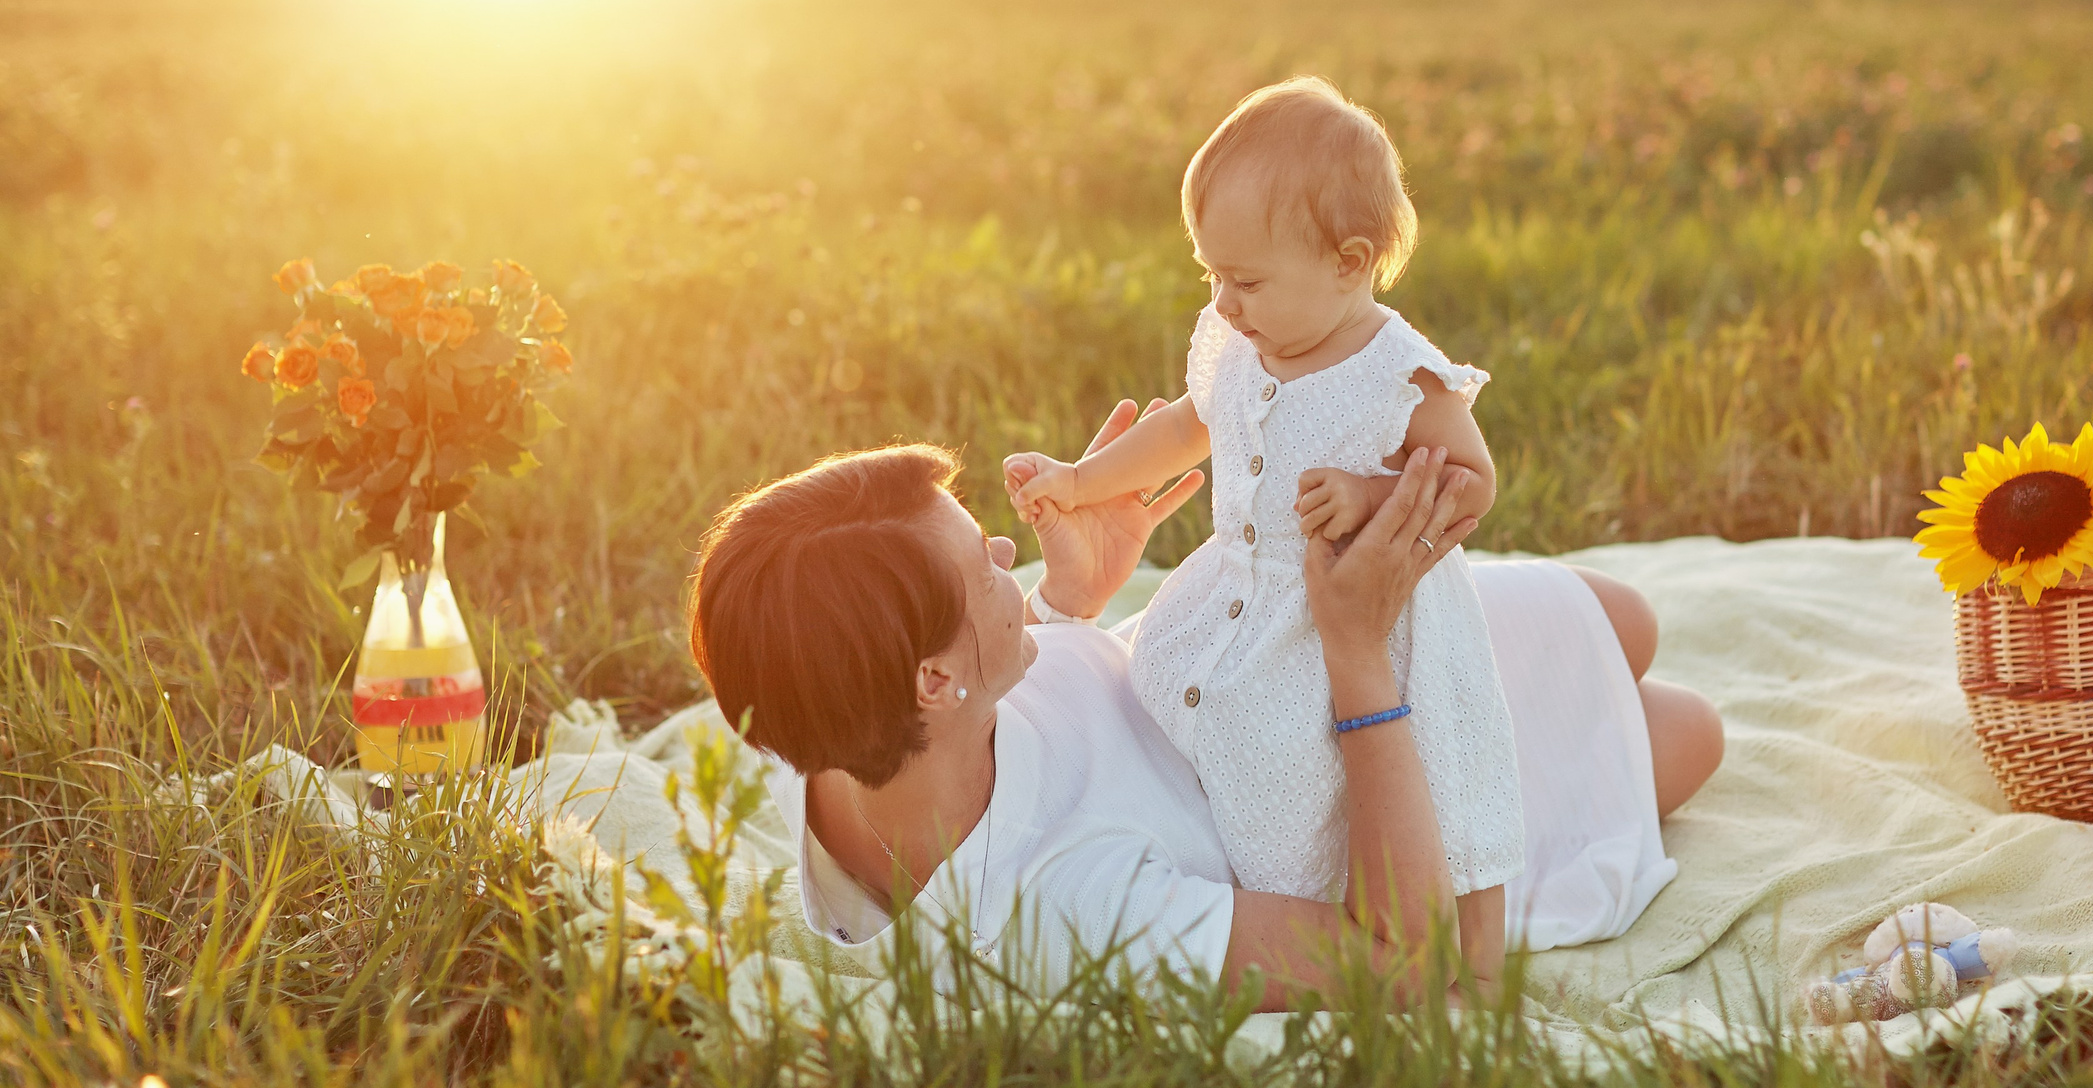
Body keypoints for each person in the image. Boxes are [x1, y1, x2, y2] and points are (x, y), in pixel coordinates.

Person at [688, 403, 1723, 1009]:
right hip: (1329, 789)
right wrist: (1359, 655)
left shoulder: (817, 721)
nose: (1006, 551)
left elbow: (968, 727)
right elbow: (1395, 965)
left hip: (1231, 674)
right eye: (985, 570)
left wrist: (1065, 604)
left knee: (1621, 619)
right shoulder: (1064, 913)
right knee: (1687, 738)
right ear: (932, 677)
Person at [1002, 77, 1525, 976]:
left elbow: (1474, 482)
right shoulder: (1242, 347)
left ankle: (1394, 937)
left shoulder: (1399, 373)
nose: (1225, 302)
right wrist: (1082, 482)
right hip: (1244, 603)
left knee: (1343, 787)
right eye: (1211, 274)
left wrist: (1371, 492)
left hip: (1369, 625)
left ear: (1349, 263)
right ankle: (1235, 880)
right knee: (1230, 753)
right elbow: (1181, 427)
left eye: (1244, 279)